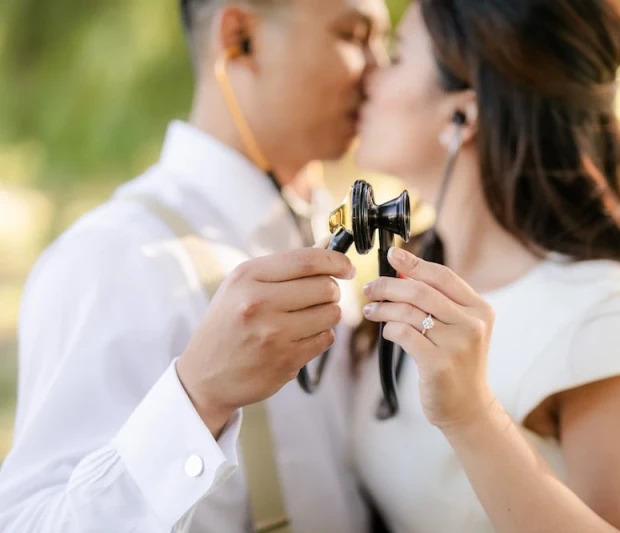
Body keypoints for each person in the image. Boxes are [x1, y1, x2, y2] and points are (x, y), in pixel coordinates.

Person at [0, 0, 389, 532]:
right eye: (352, 35)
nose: (381, 70)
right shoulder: (110, 258)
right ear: (240, 37)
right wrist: (197, 400)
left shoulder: (336, 235)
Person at [349, 1, 620, 532]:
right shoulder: (410, 279)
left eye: (395, 56)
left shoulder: (609, 320)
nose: (368, 78)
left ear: (464, 115)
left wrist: (473, 418)